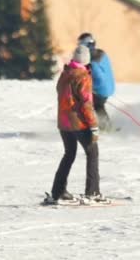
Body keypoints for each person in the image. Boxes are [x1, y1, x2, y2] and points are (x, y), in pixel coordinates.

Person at [49, 45, 103, 202]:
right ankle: (92, 192)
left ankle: (58, 191)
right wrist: (93, 126)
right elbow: (86, 105)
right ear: (86, 61)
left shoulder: (65, 73)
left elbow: (63, 92)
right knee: (92, 153)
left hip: (64, 124)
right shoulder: (83, 77)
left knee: (69, 154)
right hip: (78, 124)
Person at [77, 32, 116, 130]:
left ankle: (104, 127)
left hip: (101, 88)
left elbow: (99, 77)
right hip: (108, 87)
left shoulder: (92, 60)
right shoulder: (99, 53)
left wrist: (92, 87)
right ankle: (104, 126)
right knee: (97, 105)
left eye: (81, 45)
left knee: (89, 103)